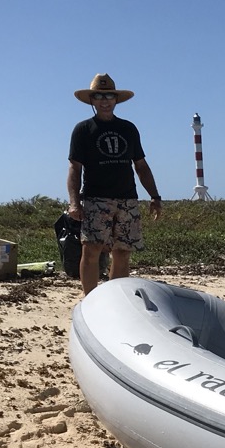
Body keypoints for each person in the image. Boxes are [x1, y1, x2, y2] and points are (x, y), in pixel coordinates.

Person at [67, 73, 163, 295]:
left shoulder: (128, 128)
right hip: (96, 199)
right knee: (91, 250)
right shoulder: (83, 129)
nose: (105, 100)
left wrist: (155, 196)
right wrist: (74, 202)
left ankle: (115, 298)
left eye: (109, 95)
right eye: (99, 96)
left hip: (127, 199)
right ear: (92, 100)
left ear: (116, 99)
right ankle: (90, 300)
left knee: (122, 252)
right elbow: (74, 168)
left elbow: (141, 165)